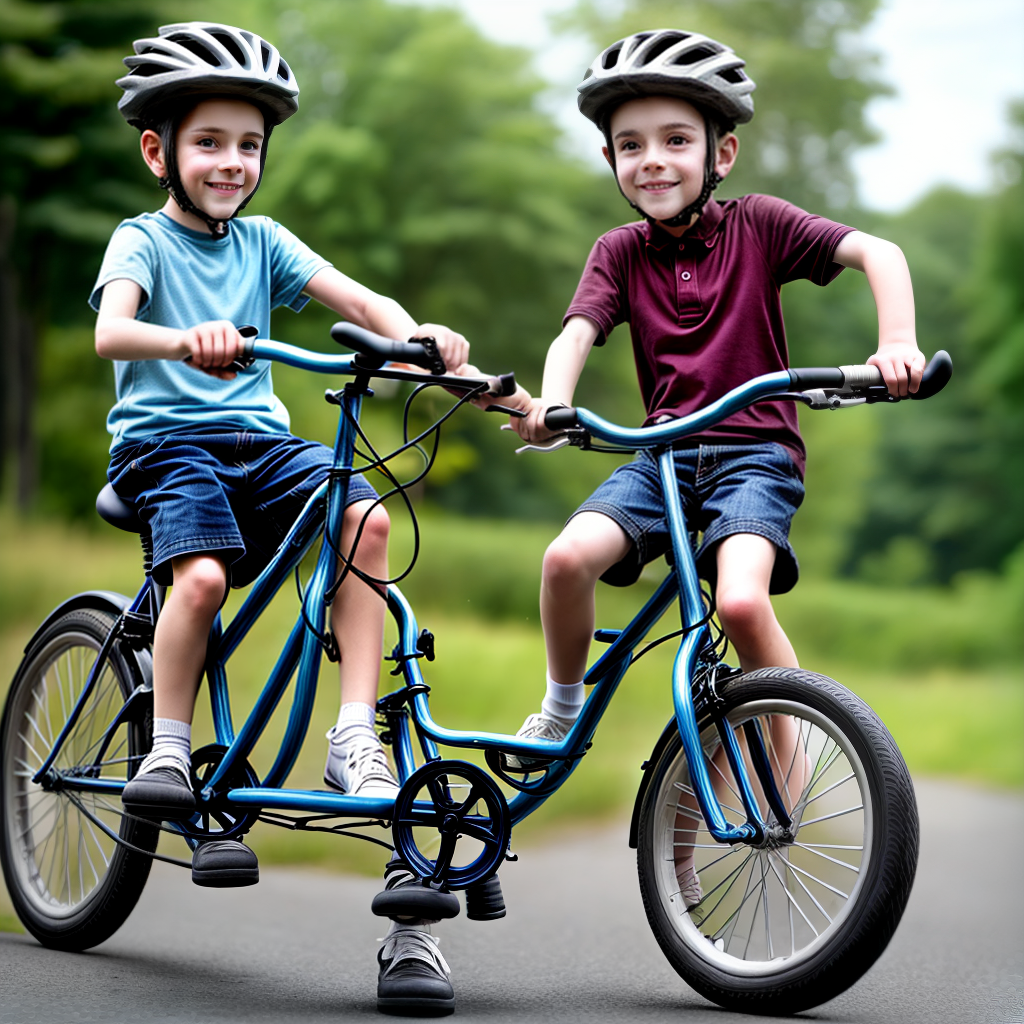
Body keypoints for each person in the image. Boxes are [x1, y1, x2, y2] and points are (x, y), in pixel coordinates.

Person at [506, 29, 925, 908]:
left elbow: (877, 254)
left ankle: (790, 744)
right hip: (659, 457)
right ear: (612, 159)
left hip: (753, 455)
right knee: (564, 560)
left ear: (719, 151)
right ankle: (561, 701)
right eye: (630, 146)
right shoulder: (618, 252)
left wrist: (897, 346)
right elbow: (577, 331)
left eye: (674, 140)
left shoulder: (763, 226)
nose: (652, 161)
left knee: (737, 604)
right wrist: (552, 401)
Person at [92, 21, 462, 1013]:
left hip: (263, 448)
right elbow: (110, 329)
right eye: (209, 141)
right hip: (165, 447)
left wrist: (414, 333)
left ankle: (351, 736)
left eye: (248, 145)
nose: (230, 163)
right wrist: (188, 338)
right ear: (158, 150)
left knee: (367, 521)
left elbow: (357, 293)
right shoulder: (143, 237)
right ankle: (168, 746)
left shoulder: (263, 242)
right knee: (203, 579)